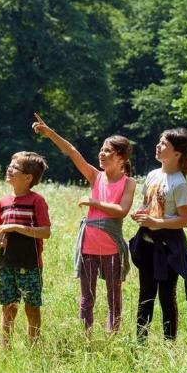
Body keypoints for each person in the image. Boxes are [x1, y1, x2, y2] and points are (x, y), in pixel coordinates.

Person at [32, 113, 136, 334]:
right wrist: (50, 133)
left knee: (114, 298)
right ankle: (85, 336)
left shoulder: (129, 183)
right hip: (88, 246)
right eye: (102, 149)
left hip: (112, 249)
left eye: (108, 150)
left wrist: (93, 201)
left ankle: (112, 338)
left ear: (121, 158)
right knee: (87, 297)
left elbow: (122, 211)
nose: (102, 153)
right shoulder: (95, 176)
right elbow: (72, 152)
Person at [129, 128, 187, 341]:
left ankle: (169, 345)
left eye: (164, 144)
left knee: (167, 297)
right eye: (159, 142)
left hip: (168, 249)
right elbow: (147, 203)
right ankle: (140, 343)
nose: (158, 146)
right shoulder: (152, 175)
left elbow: (186, 220)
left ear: (177, 154)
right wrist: (140, 212)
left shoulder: (180, 183)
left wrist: (156, 222)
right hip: (147, 244)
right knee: (145, 295)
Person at [0, 151, 51, 348]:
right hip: (6, 264)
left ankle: (33, 346)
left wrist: (16, 228)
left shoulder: (37, 201)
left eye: (15, 167)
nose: (9, 169)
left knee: (32, 308)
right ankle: (5, 347)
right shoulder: (2, 203)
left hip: (30, 264)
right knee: (8, 307)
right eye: (10, 165)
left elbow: (45, 232)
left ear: (28, 178)